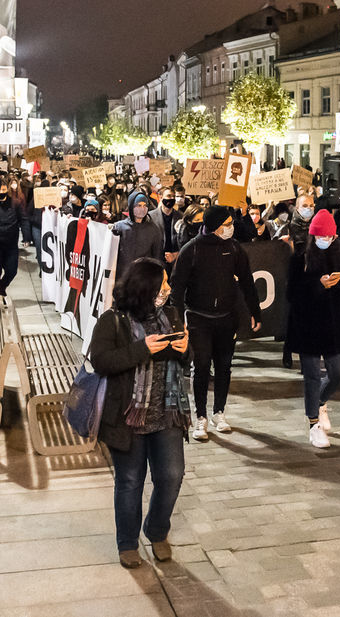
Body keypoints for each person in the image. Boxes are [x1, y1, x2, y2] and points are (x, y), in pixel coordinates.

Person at [87, 258, 191, 569]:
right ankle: (127, 543)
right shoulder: (113, 320)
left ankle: (157, 529)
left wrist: (186, 351)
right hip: (127, 418)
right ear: (145, 289)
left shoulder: (170, 315)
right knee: (130, 481)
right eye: (162, 286)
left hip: (167, 413)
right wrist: (143, 348)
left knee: (172, 476)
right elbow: (101, 361)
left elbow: (185, 360)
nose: (167, 291)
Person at [169, 205, 262, 441]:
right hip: (199, 318)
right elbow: (177, 288)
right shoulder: (192, 250)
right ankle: (200, 417)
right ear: (214, 227)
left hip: (226, 318)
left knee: (224, 367)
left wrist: (255, 311)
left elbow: (247, 281)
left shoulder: (234, 248)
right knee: (200, 367)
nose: (231, 228)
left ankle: (218, 412)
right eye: (227, 224)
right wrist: (178, 321)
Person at [285, 210, 340, 448]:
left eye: (331, 236)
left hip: (334, 325)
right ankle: (313, 423)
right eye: (323, 235)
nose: (327, 240)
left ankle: (321, 402)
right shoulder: (300, 258)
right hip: (308, 326)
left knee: (338, 373)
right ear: (314, 235)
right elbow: (291, 294)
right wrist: (318, 284)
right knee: (312, 376)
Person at [0, 177, 25, 295]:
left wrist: (26, 236)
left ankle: (0, 288)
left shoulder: (15, 202)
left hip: (11, 244)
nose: (1, 193)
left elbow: (23, 219)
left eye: (4, 190)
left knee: (11, 271)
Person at [148, 187, 183, 268]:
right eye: (169, 196)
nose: (171, 199)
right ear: (161, 197)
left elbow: (183, 240)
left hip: (174, 260)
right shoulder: (151, 216)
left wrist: (176, 254)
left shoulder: (181, 216)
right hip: (156, 260)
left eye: (173, 196)